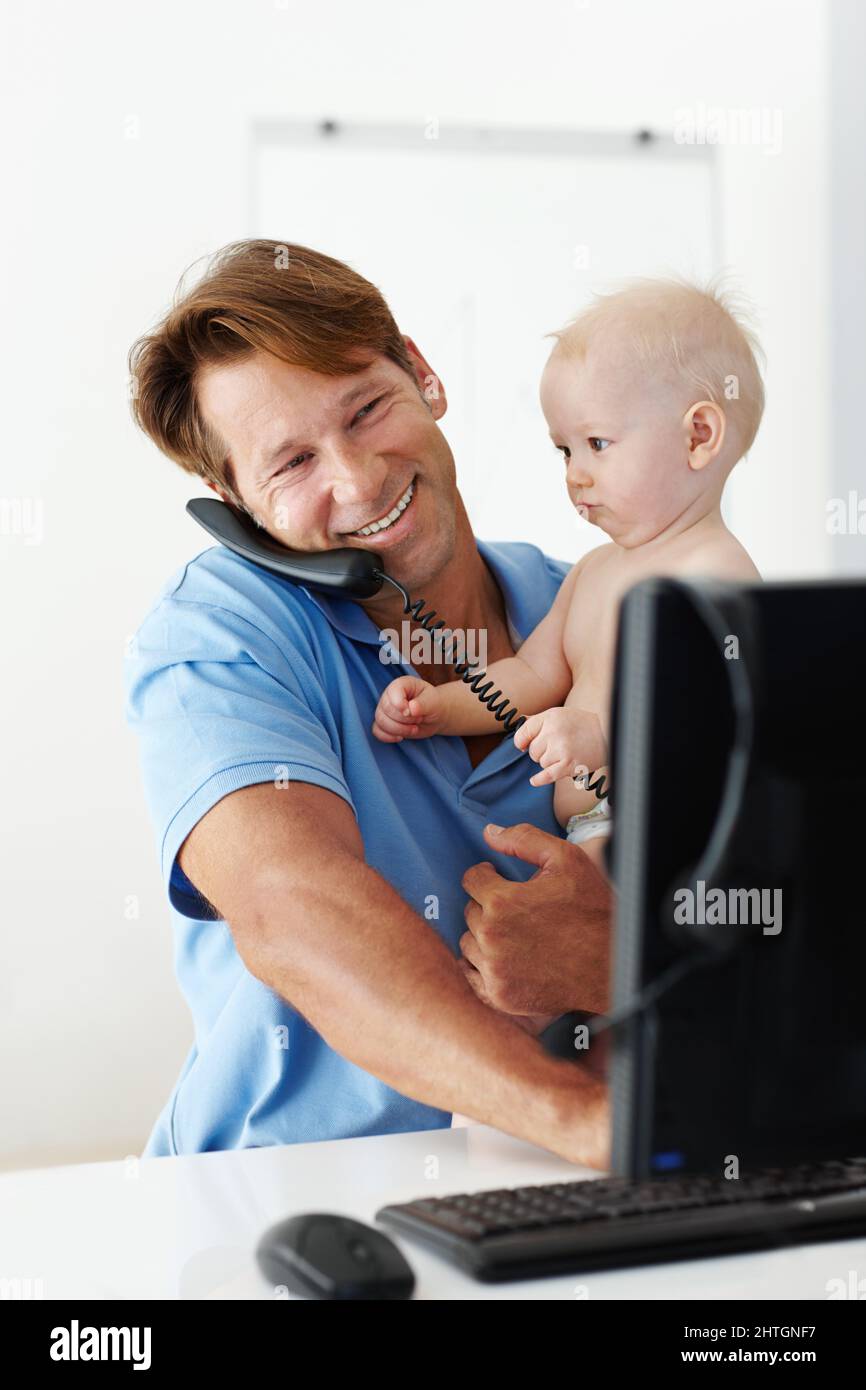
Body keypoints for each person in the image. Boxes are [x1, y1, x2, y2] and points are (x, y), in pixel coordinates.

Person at [125, 239, 612, 1166]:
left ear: (422, 375)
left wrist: (625, 955)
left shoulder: (598, 611)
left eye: (366, 409)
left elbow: (772, 911)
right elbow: (293, 910)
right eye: (292, 462)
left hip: (553, 1186)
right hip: (280, 1201)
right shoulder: (216, 636)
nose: (356, 480)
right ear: (235, 503)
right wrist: (580, 1118)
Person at [375, 278, 764, 871]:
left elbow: (724, 720)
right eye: (564, 450)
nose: (575, 474)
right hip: (589, 827)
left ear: (698, 436)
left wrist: (604, 739)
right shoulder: (593, 572)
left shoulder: (716, 574)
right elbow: (530, 674)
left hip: (678, 830)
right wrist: (441, 707)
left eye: (597, 443)